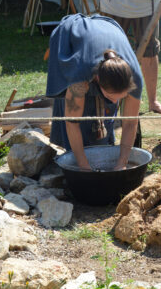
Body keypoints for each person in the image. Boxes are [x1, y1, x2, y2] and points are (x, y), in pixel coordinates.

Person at [46, 14, 143, 171]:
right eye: (110, 96)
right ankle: (73, 155)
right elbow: (71, 123)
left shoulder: (135, 78)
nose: (115, 102)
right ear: (97, 80)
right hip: (72, 35)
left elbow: (130, 123)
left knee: (106, 116)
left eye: (121, 97)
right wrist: (84, 167)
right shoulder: (79, 79)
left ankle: (104, 142)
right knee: (75, 113)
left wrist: (122, 163)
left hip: (107, 27)